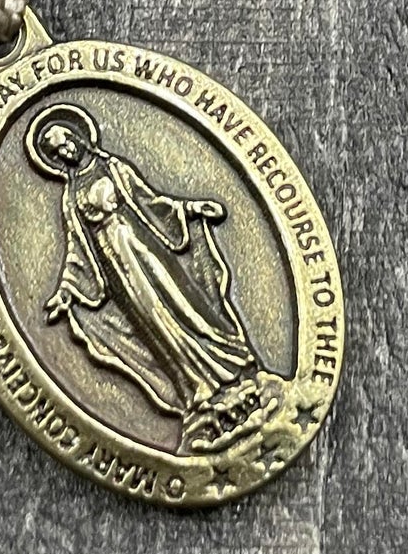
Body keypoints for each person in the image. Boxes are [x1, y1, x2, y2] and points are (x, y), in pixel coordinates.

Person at [26, 103, 272, 457]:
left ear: (78, 137)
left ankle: (230, 369)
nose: (64, 149)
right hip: (117, 271)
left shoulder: (113, 167)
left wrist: (190, 210)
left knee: (182, 308)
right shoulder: (71, 197)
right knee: (155, 328)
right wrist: (66, 292)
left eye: (65, 140)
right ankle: (198, 392)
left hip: (146, 249)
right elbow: (77, 249)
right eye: (55, 150)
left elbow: (151, 202)